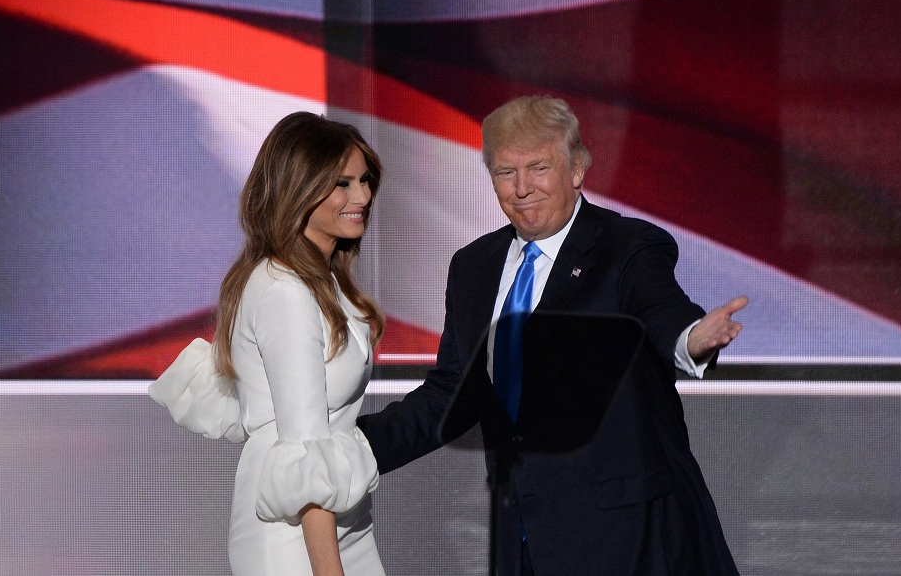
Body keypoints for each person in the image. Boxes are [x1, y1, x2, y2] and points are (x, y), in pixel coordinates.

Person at [357, 96, 746, 575]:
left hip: (628, 538)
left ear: (578, 168)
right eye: (505, 172)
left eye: (538, 167)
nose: (522, 188)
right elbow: (451, 396)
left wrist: (690, 338)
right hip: (522, 541)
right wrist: (349, 445)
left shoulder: (627, 247)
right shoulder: (473, 268)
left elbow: (659, 308)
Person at [150, 111, 387, 576]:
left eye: (364, 180)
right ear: (296, 190)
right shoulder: (285, 291)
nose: (362, 196)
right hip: (293, 535)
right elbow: (303, 442)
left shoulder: (321, 278)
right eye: (341, 183)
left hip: (339, 521)